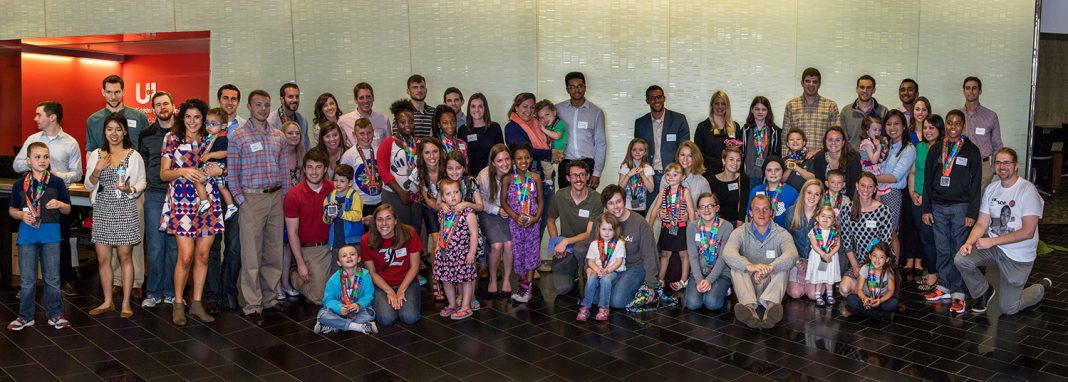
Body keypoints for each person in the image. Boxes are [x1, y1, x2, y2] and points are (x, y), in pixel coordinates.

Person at [955, 147, 1051, 315]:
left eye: (1007, 162)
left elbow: (1028, 232)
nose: (1002, 166)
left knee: (1009, 308)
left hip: (1018, 255)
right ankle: (983, 291)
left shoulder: (1027, 190)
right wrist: (969, 243)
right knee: (961, 259)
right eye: (998, 162)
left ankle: (1040, 288)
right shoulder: (992, 189)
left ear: (1016, 166)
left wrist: (991, 241)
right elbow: (982, 223)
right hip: (993, 247)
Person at [160, 98, 225, 325]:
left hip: (209, 200)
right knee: (186, 256)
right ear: (182, 117)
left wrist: (216, 170)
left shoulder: (211, 139)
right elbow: (163, 174)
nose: (192, 121)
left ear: (204, 118)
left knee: (204, 255)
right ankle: (178, 303)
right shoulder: (172, 139)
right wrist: (184, 171)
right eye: (188, 117)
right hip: (182, 200)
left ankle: (197, 303)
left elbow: (224, 163)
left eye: (197, 117)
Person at [228, 90, 287, 326]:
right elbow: (232, 175)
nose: (263, 109)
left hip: (275, 198)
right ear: (250, 108)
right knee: (251, 254)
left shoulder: (278, 137)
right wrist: (242, 202)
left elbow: (284, 171)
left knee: (273, 252)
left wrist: (283, 197)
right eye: (258, 105)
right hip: (251, 199)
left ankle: (270, 298)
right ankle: (252, 304)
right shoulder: (238, 137)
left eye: (266, 105)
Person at [14, 101, 82, 296]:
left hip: (57, 194)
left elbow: (77, 173)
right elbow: (17, 164)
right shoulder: (32, 140)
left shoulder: (70, 142)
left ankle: (65, 280)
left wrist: (57, 175)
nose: (35, 118)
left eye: (38, 115)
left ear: (51, 117)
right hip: (32, 196)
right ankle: (28, 284)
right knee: (31, 239)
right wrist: (33, 164)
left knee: (61, 237)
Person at [85, 113, 146, 319]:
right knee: (103, 259)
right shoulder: (97, 155)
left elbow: (142, 183)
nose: (114, 133)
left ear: (125, 131)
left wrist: (131, 189)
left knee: (125, 257)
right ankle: (107, 301)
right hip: (102, 210)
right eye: (109, 129)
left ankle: (126, 303)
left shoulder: (134, 155)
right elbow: (89, 185)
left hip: (125, 210)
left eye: (118, 129)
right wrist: (97, 170)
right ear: (104, 131)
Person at [921, 110, 983, 314]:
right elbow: (928, 183)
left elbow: (976, 186)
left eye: (957, 123)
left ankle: (959, 292)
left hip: (961, 208)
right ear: (945, 125)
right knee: (942, 248)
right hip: (937, 206)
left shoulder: (972, 151)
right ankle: (944, 287)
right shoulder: (936, 149)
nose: (953, 127)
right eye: (949, 123)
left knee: (958, 251)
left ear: (963, 126)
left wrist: (972, 213)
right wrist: (927, 208)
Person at [7, 142, 72, 331]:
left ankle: (55, 314)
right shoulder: (20, 184)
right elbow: (11, 209)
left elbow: (68, 209)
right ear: (28, 160)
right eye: (37, 157)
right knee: (27, 279)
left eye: (46, 156)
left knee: (52, 278)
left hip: (51, 234)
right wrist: (20, 215)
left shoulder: (57, 182)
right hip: (27, 235)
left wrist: (59, 204)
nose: (42, 160)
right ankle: (25, 316)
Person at [723, 195, 799, 329]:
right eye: (757, 209)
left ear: (771, 212)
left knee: (784, 268)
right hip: (748, 284)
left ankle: (771, 309)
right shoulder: (740, 232)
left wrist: (770, 268)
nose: (761, 213)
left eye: (765, 209)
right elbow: (728, 252)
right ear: (750, 213)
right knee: (736, 268)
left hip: (770, 284)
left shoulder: (782, 233)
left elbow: (792, 254)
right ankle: (749, 309)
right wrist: (749, 266)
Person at [138, 93, 179, 308]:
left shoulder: (182, 133)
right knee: (154, 247)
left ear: (173, 106)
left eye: (166, 104)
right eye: (158, 105)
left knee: (174, 247)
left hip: (179, 195)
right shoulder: (146, 134)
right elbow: (143, 164)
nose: (162, 108)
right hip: (154, 194)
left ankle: (171, 291)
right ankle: (153, 292)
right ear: (153, 109)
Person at [284, 149, 336, 305]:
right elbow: (292, 232)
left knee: (343, 289)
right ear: (304, 169)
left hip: (334, 245)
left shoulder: (334, 188)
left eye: (318, 167)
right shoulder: (294, 195)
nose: (314, 172)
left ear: (325, 168)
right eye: (310, 167)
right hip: (310, 249)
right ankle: (293, 275)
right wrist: (300, 263)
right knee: (320, 298)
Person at [210, 85, 245, 313]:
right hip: (211, 194)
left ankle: (229, 291)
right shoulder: (208, 126)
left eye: (233, 99)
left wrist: (223, 172)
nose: (229, 102)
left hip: (234, 193)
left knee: (234, 246)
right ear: (219, 99)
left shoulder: (244, 128)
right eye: (225, 98)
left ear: (238, 102)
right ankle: (213, 295)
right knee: (212, 246)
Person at [548, 160, 603, 295]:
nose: (578, 179)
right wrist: (556, 243)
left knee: (580, 248)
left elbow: (589, 233)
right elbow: (550, 220)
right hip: (566, 245)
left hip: (588, 245)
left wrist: (565, 241)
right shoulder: (560, 195)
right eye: (574, 175)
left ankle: (588, 274)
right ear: (568, 178)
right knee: (562, 289)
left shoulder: (596, 199)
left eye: (582, 175)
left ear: (588, 177)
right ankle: (574, 272)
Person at [599, 185, 658, 308]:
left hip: (634, 267)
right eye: (610, 203)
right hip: (610, 267)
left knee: (617, 301)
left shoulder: (640, 223)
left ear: (624, 201)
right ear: (605, 206)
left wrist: (651, 284)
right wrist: (590, 268)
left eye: (618, 201)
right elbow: (592, 247)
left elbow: (650, 255)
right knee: (594, 297)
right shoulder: (602, 222)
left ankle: (639, 287)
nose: (615, 207)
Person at [362, 205, 423, 325]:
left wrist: (401, 290)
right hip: (381, 285)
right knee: (387, 319)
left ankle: (401, 305)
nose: (384, 223)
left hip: (407, 282)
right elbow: (372, 272)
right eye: (379, 219)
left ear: (395, 221)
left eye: (388, 218)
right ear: (375, 222)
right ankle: (386, 304)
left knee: (410, 317)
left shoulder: (410, 233)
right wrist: (389, 291)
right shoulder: (366, 239)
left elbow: (415, 266)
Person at [838, 173, 894, 297]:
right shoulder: (847, 210)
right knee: (844, 289)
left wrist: (870, 269)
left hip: (878, 262)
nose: (866, 190)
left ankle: (866, 295)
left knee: (873, 291)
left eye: (870, 187)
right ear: (857, 186)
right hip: (857, 261)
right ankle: (862, 294)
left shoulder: (884, 211)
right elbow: (846, 242)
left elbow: (885, 244)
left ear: (875, 189)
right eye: (863, 185)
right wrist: (855, 266)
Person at [502, 144, 544, 303]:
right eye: (519, 158)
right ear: (513, 161)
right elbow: (503, 201)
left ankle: (528, 289)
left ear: (531, 159)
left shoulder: (535, 177)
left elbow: (540, 201)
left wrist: (535, 218)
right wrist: (514, 216)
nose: (523, 161)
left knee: (532, 254)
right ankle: (522, 286)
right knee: (519, 254)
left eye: (526, 157)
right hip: (516, 223)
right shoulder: (508, 179)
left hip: (533, 223)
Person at [433, 179, 479, 319]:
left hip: (462, 254)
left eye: (456, 192)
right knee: (446, 280)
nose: (453, 196)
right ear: (442, 197)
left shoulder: (468, 212)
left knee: (465, 280)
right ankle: (452, 304)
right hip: (445, 253)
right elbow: (442, 231)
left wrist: (472, 253)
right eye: (448, 193)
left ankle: (466, 306)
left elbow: (474, 234)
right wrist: (437, 247)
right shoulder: (443, 212)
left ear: (461, 193)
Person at [875, 110, 916, 263]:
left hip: (892, 193)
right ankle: (878, 264)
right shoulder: (886, 146)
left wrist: (870, 178)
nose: (892, 127)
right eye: (889, 124)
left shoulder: (908, 149)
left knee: (891, 231)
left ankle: (894, 267)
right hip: (876, 191)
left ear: (904, 126)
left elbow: (895, 177)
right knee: (876, 230)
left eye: (896, 124)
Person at [908, 115, 943, 290]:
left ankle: (933, 274)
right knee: (923, 238)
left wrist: (927, 198)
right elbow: (913, 172)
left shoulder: (943, 149)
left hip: (935, 201)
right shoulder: (919, 147)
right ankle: (932, 270)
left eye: (932, 128)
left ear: (940, 130)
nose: (928, 131)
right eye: (926, 128)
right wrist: (913, 192)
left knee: (930, 238)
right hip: (918, 199)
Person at [634, 85, 689, 196]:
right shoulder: (640, 123)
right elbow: (637, 152)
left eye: (659, 97)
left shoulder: (679, 120)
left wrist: (682, 173)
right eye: (652, 98)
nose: (656, 101)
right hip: (649, 176)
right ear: (647, 101)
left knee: (671, 209)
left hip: (672, 176)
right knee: (650, 211)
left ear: (664, 98)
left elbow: (685, 149)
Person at [646, 163, 694, 290]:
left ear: (682, 177)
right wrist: (649, 227)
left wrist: (694, 229)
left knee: (684, 254)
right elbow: (655, 209)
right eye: (668, 174)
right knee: (665, 254)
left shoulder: (685, 192)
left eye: (675, 175)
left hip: (681, 228)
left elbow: (691, 211)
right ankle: (660, 280)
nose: (671, 177)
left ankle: (684, 280)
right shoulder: (663, 191)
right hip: (667, 227)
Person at [556, 72, 607, 189]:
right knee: (565, 201)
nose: (576, 90)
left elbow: (601, 143)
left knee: (587, 202)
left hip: (587, 164)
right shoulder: (558, 110)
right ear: (567, 90)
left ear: (585, 88)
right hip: (566, 164)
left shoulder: (596, 112)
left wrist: (597, 172)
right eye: (572, 87)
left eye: (579, 86)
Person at [684, 193, 734, 311]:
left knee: (712, 303)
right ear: (697, 210)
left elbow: (723, 257)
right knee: (692, 304)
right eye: (702, 207)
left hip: (720, 273)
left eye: (710, 206)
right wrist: (699, 280)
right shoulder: (691, 227)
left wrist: (710, 280)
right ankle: (706, 288)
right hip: (699, 272)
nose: (706, 210)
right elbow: (693, 256)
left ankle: (724, 288)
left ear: (717, 208)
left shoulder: (727, 227)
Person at [377, 100, 422, 229]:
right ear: (396, 123)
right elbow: (383, 172)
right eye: (403, 122)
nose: (407, 125)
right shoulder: (388, 143)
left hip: (415, 195)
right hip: (394, 194)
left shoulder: (418, 143)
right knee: (399, 232)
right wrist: (401, 192)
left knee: (415, 231)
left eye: (411, 121)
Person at [313, 244, 377, 334]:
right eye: (344, 256)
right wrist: (339, 308)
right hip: (338, 311)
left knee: (370, 314)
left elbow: (368, 295)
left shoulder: (365, 275)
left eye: (352, 254)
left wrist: (359, 304)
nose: (349, 257)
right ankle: (358, 327)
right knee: (323, 315)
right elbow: (327, 300)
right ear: (339, 263)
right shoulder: (334, 279)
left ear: (358, 259)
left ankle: (333, 325)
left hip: (357, 310)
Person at [478, 145, 514, 298]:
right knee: (497, 245)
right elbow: (480, 202)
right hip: (489, 212)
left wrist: (510, 210)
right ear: (493, 163)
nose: (505, 164)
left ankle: (506, 279)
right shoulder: (484, 176)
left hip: (509, 213)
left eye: (507, 159)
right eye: (499, 160)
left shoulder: (515, 174)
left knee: (509, 244)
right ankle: (493, 279)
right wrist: (497, 210)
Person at [577, 213, 626, 322]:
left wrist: (607, 270)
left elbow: (619, 262)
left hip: (614, 271)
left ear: (615, 230)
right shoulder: (594, 244)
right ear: (599, 228)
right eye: (604, 229)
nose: (607, 233)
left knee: (606, 278)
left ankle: (603, 308)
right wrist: (597, 269)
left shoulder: (619, 244)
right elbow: (590, 260)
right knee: (592, 278)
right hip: (598, 269)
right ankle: (585, 307)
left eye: (610, 229)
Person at [278, 121, 306, 300]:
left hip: (297, 207)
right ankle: (276, 285)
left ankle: (286, 282)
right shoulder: (277, 155)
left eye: (297, 133)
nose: (294, 136)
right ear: (282, 135)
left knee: (289, 246)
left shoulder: (302, 155)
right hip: (279, 206)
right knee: (278, 246)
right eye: (290, 133)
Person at [784, 179, 824, 301]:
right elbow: (787, 242)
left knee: (812, 295)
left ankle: (816, 282)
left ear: (820, 197)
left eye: (816, 194)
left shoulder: (825, 215)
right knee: (795, 293)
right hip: (796, 259)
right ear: (803, 193)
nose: (812, 197)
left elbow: (828, 245)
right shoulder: (792, 212)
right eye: (809, 193)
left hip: (817, 261)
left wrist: (812, 265)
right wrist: (797, 263)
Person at [782, 67, 839, 153]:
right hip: (796, 160)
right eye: (808, 81)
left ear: (819, 84)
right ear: (802, 83)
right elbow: (785, 137)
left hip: (823, 159)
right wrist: (786, 161)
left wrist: (818, 151)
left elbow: (836, 137)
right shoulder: (791, 106)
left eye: (815, 82)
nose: (811, 84)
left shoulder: (831, 106)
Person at [86, 75, 148, 152]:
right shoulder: (93, 120)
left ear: (123, 92)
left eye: (117, 92)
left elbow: (147, 149)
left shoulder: (140, 118)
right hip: (104, 163)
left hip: (134, 163)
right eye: (109, 92)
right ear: (103, 92)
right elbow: (90, 152)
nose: (113, 97)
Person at [794, 127, 862, 196]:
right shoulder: (819, 158)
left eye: (837, 140)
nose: (833, 143)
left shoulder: (853, 158)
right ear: (825, 141)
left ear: (843, 142)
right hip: (826, 199)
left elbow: (855, 185)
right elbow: (820, 183)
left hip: (849, 198)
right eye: (830, 140)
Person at [195, 108, 237, 219]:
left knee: (197, 179)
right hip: (216, 167)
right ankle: (231, 205)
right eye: (207, 123)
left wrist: (209, 155)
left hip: (216, 166)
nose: (209, 126)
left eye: (213, 124)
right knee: (222, 187)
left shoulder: (222, 139)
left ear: (223, 126)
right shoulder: (211, 137)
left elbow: (225, 152)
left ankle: (204, 202)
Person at [961, 77, 1002, 188]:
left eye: (974, 88)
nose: (971, 91)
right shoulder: (957, 116)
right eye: (968, 88)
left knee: (979, 202)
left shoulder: (991, 116)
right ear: (963, 91)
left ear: (980, 91)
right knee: (962, 200)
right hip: (960, 164)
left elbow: (997, 144)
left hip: (982, 167)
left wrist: (993, 168)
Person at [340, 118, 382, 218]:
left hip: (380, 201)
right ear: (354, 135)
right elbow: (343, 182)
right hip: (360, 203)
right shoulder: (349, 155)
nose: (366, 137)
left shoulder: (379, 151)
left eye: (369, 132)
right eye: (361, 133)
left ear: (373, 132)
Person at [843, 241, 897, 320]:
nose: (877, 259)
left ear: (887, 259)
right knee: (851, 298)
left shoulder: (889, 272)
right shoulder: (865, 268)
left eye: (882, 257)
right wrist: (865, 299)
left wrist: (881, 300)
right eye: (874, 256)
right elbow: (859, 289)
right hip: (867, 297)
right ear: (870, 256)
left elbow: (890, 290)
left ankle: (864, 312)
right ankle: (880, 315)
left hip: (881, 298)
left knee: (893, 303)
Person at [694, 90, 743, 177]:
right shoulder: (703, 127)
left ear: (727, 106)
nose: (720, 106)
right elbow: (698, 153)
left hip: (730, 174)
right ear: (712, 105)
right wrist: (720, 162)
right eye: (717, 103)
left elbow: (740, 152)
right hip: (709, 174)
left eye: (723, 103)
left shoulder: (735, 127)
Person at [458, 93, 504, 176]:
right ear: (469, 108)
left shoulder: (495, 127)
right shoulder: (462, 130)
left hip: (492, 175)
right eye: (473, 106)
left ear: (485, 108)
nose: (476, 110)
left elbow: (501, 154)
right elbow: (461, 157)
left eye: (480, 106)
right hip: (470, 176)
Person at [741, 96, 782, 188]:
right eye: (757, 109)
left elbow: (777, 155)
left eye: (763, 109)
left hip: (767, 175)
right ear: (752, 110)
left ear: (768, 112)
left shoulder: (775, 131)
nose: (760, 112)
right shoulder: (745, 130)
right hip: (748, 174)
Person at [840, 75, 889, 149]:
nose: (865, 91)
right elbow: (843, 138)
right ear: (857, 89)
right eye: (862, 87)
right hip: (852, 157)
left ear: (874, 90)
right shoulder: (846, 111)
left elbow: (886, 136)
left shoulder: (883, 111)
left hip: (876, 158)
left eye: (868, 88)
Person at [806, 206, 842, 307]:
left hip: (831, 257)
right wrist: (823, 254)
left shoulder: (835, 232)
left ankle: (829, 295)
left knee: (829, 276)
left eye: (829, 217)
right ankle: (818, 295)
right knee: (820, 276)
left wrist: (829, 254)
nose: (825, 219)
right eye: (823, 216)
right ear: (817, 218)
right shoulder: (814, 231)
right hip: (818, 257)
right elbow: (814, 245)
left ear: (834, 220)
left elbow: (837, 245)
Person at [748, 158, 799, 227]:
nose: (773, 173)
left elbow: (796, 220)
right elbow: (750, 216)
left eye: (777, 170)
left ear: (782, 171)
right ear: (764, 172)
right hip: (760, 234)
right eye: (769, 170)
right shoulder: (755, 191)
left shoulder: (792, 193)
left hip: (784, 235)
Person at [324, 164, 364, 250]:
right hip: (336, 241)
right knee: (336, 262)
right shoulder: (329, 197)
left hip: (353, 241)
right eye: (335, 180)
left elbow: (358, 215)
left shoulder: (354, 196)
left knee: (354, 262)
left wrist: (341, 212)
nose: (338, 184)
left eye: (342, 181)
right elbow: (327, 220)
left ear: (350, 183)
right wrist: (330, 212)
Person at [339, 82, 391, 148]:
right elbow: (340, 148)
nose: (365, 101)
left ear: (373, 98)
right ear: (355, 100)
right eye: (361, 98)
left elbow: (390, 147)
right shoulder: (344, 121)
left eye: (368, 97)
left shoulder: (383, 120)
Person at [710, 146, 749, 228]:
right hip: (717, 223)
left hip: (737, 224)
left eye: (738, 160)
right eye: (731, 159)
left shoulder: (743, 179)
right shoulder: (712, 181)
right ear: (723, 161)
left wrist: (738, 229)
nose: (735, 163)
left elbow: (743, 205)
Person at [616, 138, 655, 215]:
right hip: (626, 206)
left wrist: (643, 176)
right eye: (634, 149)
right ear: (630, 151)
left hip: (641, 207)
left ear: (645, 152)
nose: (637, 152)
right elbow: (619, 188)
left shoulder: (648, 168)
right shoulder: (625, 167)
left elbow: (651, 189)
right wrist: (628, 175)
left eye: (640, 150)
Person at [267, 82, 311, 149]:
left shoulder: (302, 120)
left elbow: (306, 147)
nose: (295, 100)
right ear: (282, 100)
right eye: (290, 97)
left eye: (297, 96)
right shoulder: (271, 121)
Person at [858, 116, 890, 196]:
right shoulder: (867, 143)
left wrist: (885, 145)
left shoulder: (873, 142)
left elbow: (881, 159)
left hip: (875, 169)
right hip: (869, 171)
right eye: (875, 129)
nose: (878, 132)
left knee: (877, 193)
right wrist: (879, 147)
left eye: (879, 130)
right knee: (874, 193)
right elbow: (873, 160)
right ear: (867, 131)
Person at [676, 141, 712, 207]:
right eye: (682, 155)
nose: (685, 159)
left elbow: (709, 209)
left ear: (696, 158)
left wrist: (690, 215)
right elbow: (659, 206)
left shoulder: (703, 182)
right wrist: (660, 212)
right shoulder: (667, 177)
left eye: (690, 156)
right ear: (678, 156)